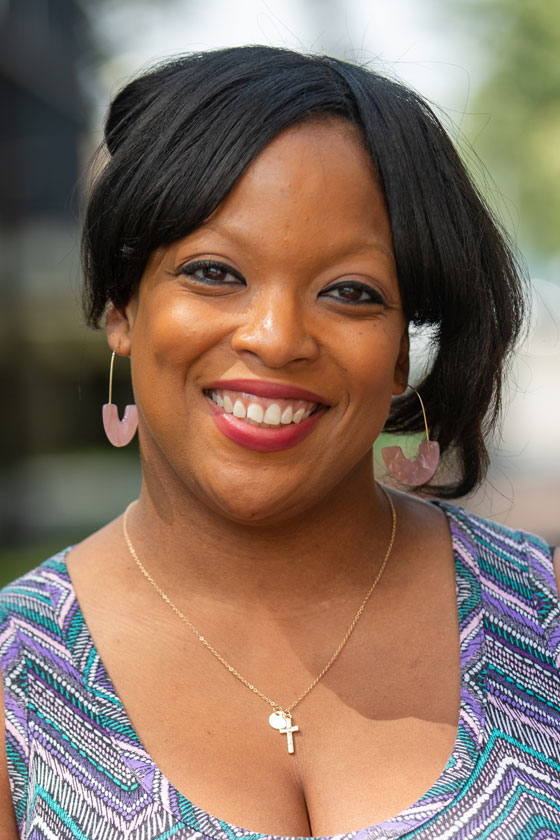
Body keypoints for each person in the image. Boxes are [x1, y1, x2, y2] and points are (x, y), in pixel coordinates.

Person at [0, 45, 558, 839]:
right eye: (215, 274)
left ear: (402, 349)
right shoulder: (15, 688)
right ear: (122, 307)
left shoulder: (546, 617)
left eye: (350, 292)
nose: (276, 337)